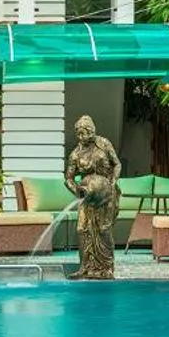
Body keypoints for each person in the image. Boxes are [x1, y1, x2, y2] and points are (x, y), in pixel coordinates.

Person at [64, 114, 122, 280]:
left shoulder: (103, 144)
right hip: (87, 196)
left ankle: (107, 267)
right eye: (79, 134)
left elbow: (117, 164)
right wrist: (77, 190)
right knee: (82, 229)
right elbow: (68, 178)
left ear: (92, 131)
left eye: (85, 132)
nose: (82, 137)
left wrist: (113, 182)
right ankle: (85, 267)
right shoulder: (75, 154)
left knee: (104, 229)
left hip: (105, 194)